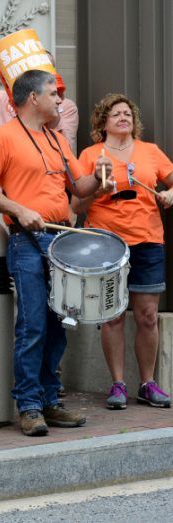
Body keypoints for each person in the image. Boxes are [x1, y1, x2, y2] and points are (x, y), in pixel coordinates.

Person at [0, 70, 111, 437]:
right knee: (33, 324)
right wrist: (18, 209)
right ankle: (30, 406)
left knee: (58, 325)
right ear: (32, 98)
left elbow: (79, 187)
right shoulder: (2, 138)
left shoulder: (57, 138)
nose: (60, 100)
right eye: (53, 94)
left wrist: (99, 176)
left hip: (60, 240)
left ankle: (50, 401)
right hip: (26, 240)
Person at [72, 93, 173, 410]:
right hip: (106, 243)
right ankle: (117, 384)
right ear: (103, 123)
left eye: (127, 113)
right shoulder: (90, 155)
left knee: (147, 316)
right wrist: (98, 189)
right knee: (112, 316)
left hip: (147, 240)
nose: (123, 117)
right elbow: (76, 206)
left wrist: (169, 193)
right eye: (115, 113)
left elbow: (172, 183)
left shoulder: (151, 152)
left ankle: (147, 383)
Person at [0, 45, 78, 151]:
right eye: (34, 69)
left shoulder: (65, 106)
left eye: (46, 70)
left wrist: (53, 106)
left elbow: (65, 153)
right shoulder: (1, 100)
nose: (40, 76)